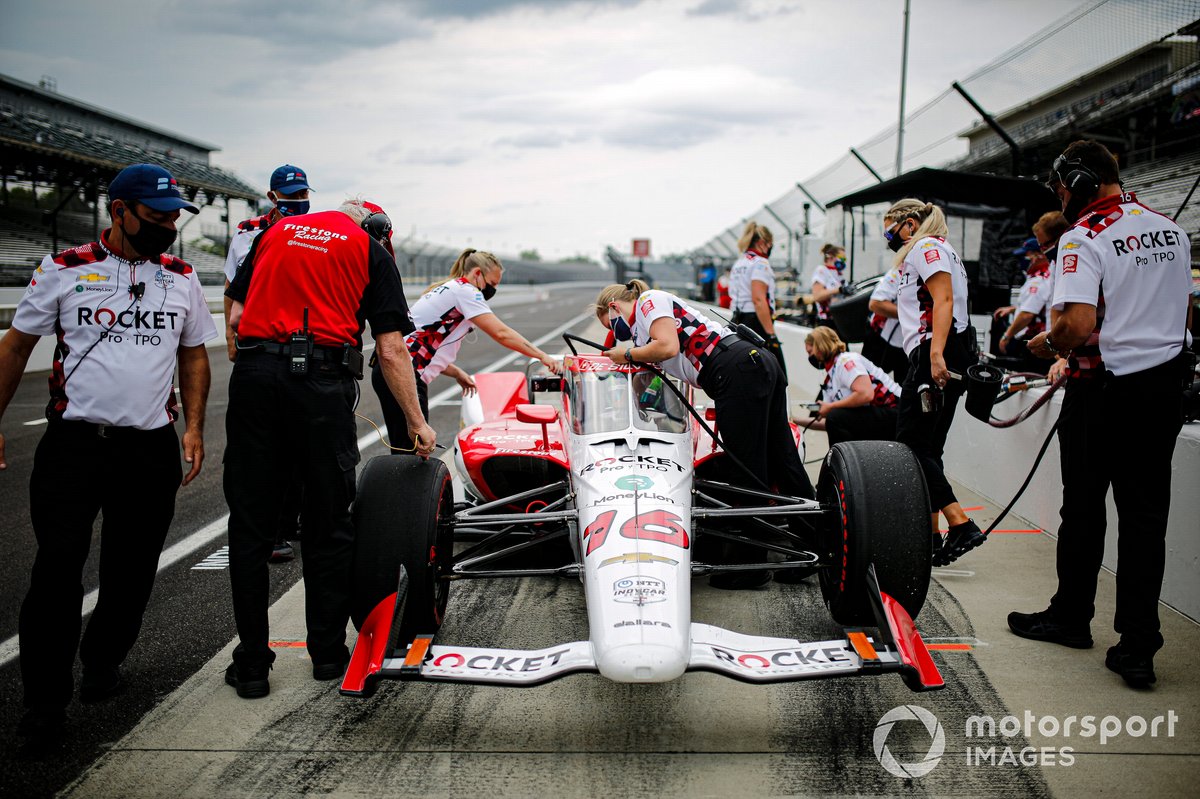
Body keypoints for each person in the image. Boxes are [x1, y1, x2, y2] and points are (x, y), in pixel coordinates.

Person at [0, 163, 215, 753]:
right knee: (57, 568)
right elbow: (17, 345)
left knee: (132, 569)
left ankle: (102, 662)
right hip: (73, 445)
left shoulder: (181, 276)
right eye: (156, 215)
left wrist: (193, 428)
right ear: (118, 210)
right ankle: (44, 702)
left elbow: (194, 356)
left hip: (149, 449)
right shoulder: (64, 269)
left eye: (175, 216)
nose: (169, 225)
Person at [224, 198, 435, 698]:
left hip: (255, 377)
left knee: (251, 524)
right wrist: (416, 422)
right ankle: (327, 656)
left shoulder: (273, 234)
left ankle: (252, 665)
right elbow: (390, 348)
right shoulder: (370, 250)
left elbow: (235, 316)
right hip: (319, 382)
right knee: (328, 520)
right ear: (377, 226)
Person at [1011, 140, 1193, 688]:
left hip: (1104, 391)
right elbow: (1182, 310)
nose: (1062, 199)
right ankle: (1138, 646)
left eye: (1063, 188)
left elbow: (1077, 323)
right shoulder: (1171, 229)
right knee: (1145, 519)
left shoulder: (1083, 237)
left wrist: (1048, 345)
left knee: (1083, 509)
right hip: (1164, 387)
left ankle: (1071, 617)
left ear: (1082, 183)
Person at [596, 280, 814, 589]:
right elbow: (652, 385)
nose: (619, 334)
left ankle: (751, 566)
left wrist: (627, 353)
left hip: (734, 368)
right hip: (751, 362)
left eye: (613, 324)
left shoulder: (649, 301)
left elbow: (668, 346)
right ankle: (814, 546)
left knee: (744, 469)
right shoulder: (645, 331)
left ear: (616, 307)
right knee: (783, 459)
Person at [372, 248, 560, 450]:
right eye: (492, 284)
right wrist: (542, 356)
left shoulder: (451, 288)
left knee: (411, 449)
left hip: (396, 371)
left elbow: (423, 345)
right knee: (414, 451)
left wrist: (456, 372)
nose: (493, 290)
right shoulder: (466, 291)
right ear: (477, 274)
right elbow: (501, 333)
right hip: (402, 373)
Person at [883, 199, 984, 567]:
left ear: (910, 224)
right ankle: (931, 536)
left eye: (890, 228)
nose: (888, 237)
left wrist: (936, 355)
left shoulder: (926, 247)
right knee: (929, 448)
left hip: (934, 350)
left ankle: (960, 524)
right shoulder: (944, 249)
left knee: (910, 444)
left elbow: (943, 300)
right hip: (944, 349)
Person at [223, 164, 314, 564]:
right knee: (264, 447)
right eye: (290, 196)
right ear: (273, 196)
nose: (298, 202)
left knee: (301, 443)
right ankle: (270, 530)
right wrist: (231, 337)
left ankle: (291, 519)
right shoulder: (247, 233)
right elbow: (232, 286)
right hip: (258, 344)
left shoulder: (315, 232)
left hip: (302, 343)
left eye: (302, 195)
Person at [803, 326, 900, 446]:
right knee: (836, 417)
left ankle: (843, 460)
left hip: (896, 411)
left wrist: (831, 406)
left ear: (820, 346)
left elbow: (866, 394)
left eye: (810, 352)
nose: (810, 358)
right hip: (881, 415)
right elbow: (828, 423)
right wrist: (794, 420)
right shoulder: (829, 378)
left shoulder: (846, 360)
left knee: (836, 416)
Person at [729, 222, 785, 376]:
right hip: (755, 322)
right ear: (762, 243)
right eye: (770, 244)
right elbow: (759, 300)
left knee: (743, 372)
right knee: (777, 373)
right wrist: (771, 334)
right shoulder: (761, 263)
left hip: (736, 322)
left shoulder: (739, 263)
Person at [862, 264, 907, 384]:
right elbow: (875, 303)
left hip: (910, 343)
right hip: (882, 338)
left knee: (906, 392)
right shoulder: (900, 271)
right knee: (867, 382)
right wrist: (910, 315)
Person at [810, 244, 847, 332]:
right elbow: (817, 296)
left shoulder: (838, 274)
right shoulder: (821, 271)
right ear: (831, 257)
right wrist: (839, 290)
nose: (843, 261)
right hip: (826, 322)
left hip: (839, 322)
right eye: (842, 258)